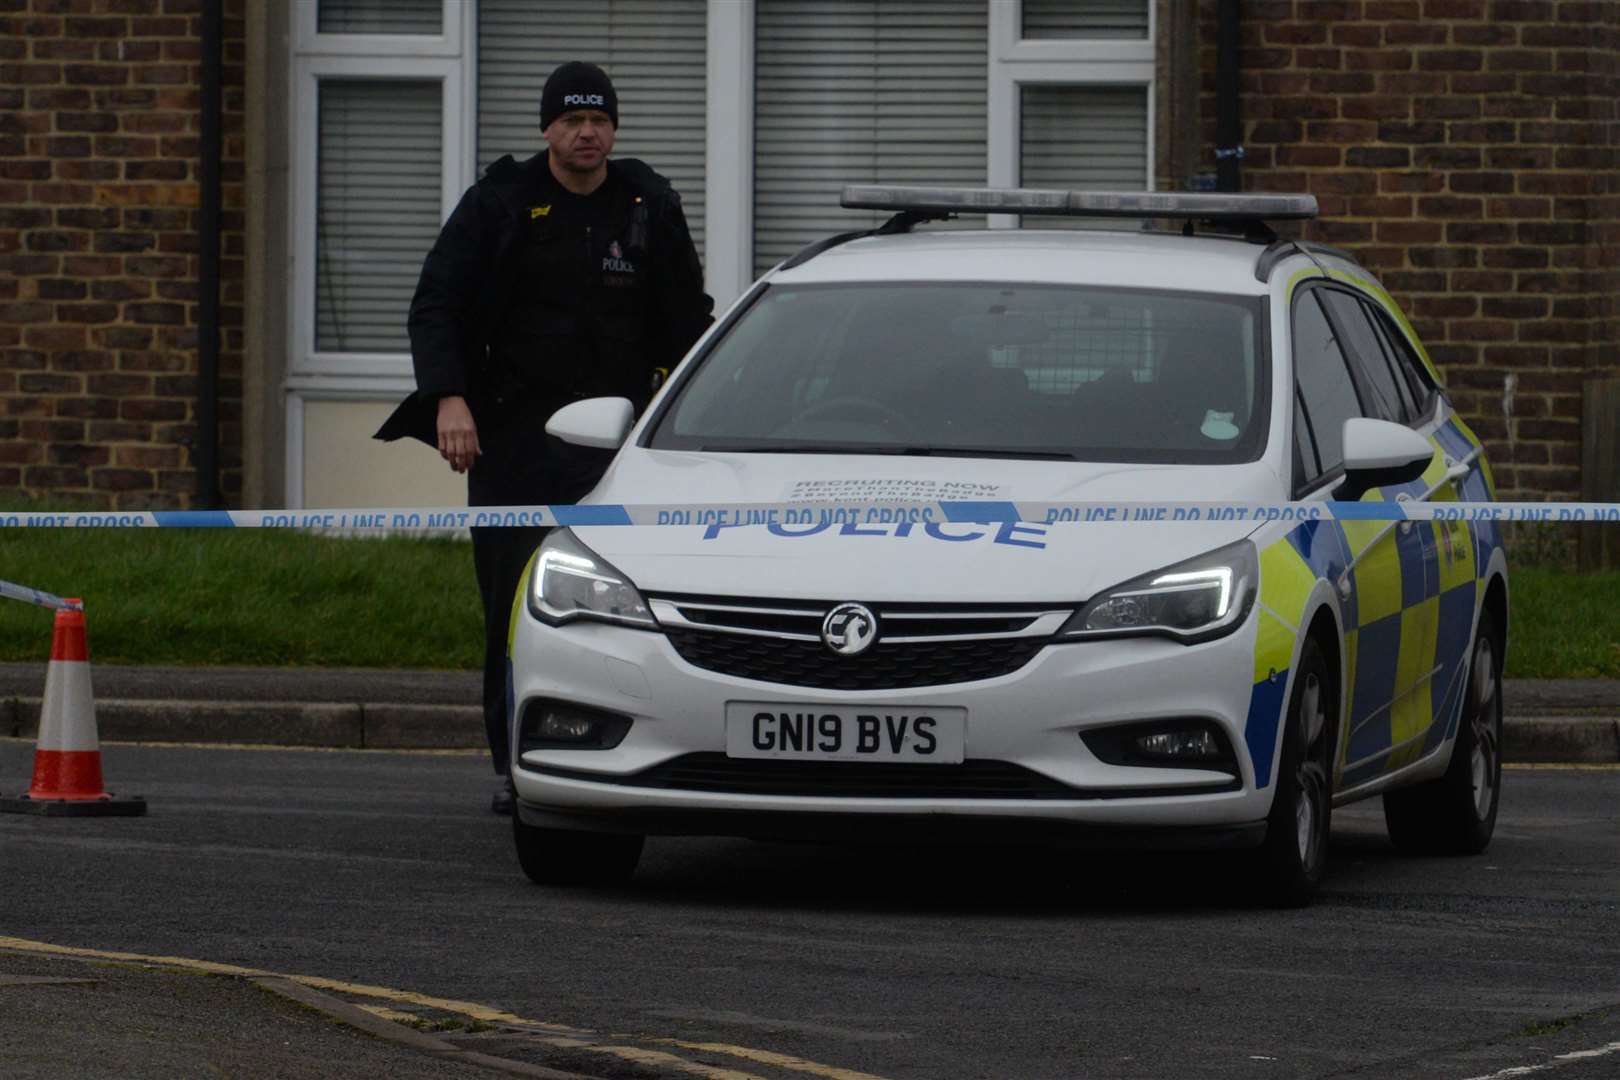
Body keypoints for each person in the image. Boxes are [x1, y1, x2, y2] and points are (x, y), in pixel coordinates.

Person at [376, 61, 713, 814]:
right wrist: (449, 401)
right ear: (547, 129)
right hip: (513, 436)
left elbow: (688, 316)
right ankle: (516, 763)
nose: (586, 133)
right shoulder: (500, 202)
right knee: (514, 604)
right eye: (571, 121)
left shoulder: (646, 202)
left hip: (621, 445)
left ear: (614, 128)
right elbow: (436, 305)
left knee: (630, 603)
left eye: (599, 120)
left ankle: (637, 748)